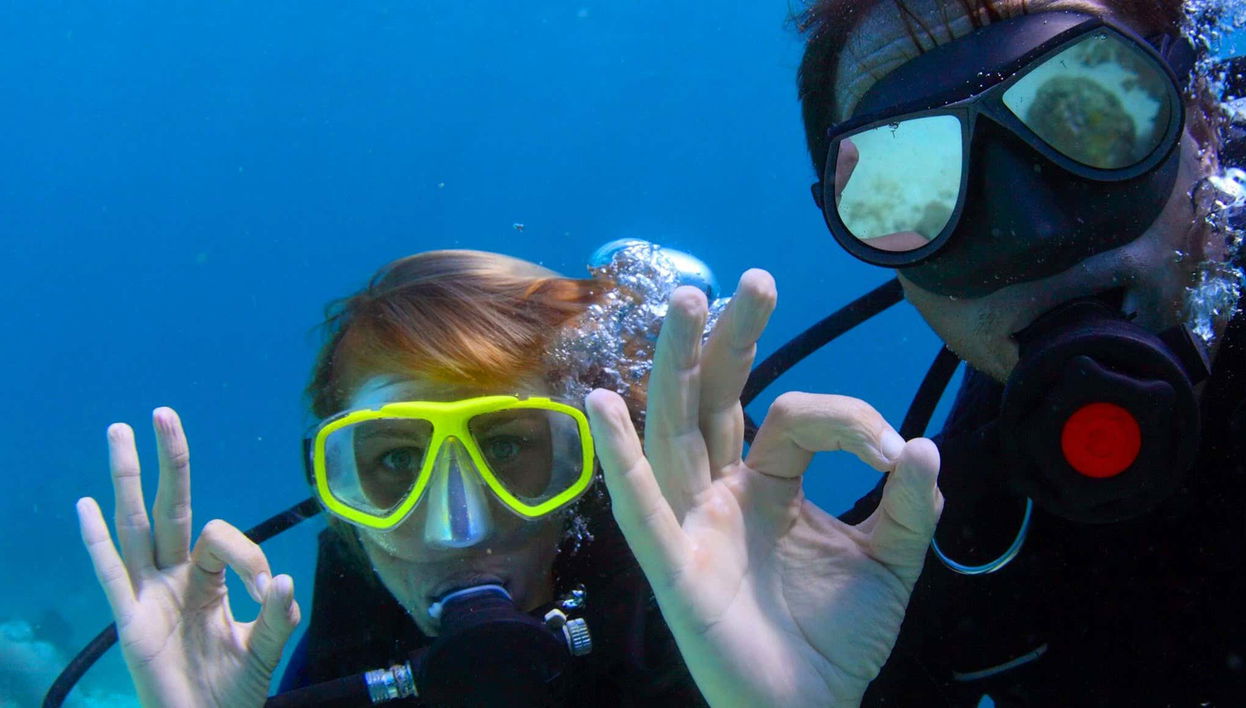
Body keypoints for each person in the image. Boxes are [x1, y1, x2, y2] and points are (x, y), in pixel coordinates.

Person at [74, 245, 945, 706]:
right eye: (394, 463)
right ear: (337, 495)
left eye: (509, 446)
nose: (457, 527)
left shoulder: (687, 588)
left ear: (592, 459)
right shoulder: (358, 602)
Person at [793, 0, 1246, 704]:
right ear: (900, 276)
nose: (1030, 229)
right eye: (911, 190)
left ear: (1205, 122)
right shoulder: (923, 555)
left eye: (1092, 116)